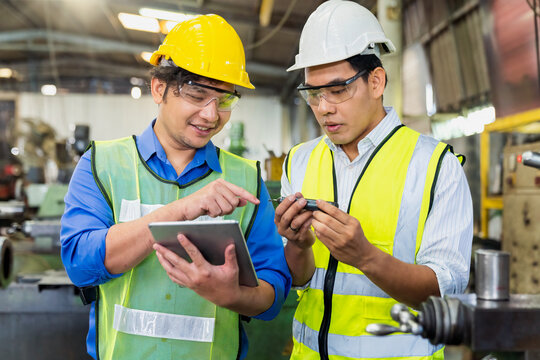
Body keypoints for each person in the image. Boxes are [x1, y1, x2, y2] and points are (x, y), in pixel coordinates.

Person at [61, 14, 291, 360]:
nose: (211, 115)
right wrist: (181, 210)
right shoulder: (102, 165)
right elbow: (80, 264)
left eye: (225, 100)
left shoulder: (245, 178)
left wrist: (231, 295)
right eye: (197, 94)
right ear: (159, 88)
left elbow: (274, 293)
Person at [274, 1, 473, 359]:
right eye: (313, 94)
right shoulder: (299, 161)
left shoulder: (435, 166)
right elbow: (300, 280)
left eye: (337, 90)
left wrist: (366, 257)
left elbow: (444, 291)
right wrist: (299, 246)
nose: (324, 108)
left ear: (376, 81)